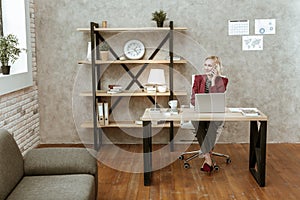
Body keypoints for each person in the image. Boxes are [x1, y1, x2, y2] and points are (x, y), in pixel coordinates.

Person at [190, 55, 229, 172]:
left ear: (216, 67)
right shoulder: (197, 79)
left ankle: (207, 159)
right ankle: (208, 158)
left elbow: (217, 98)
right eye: (205, 65)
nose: (207, 68)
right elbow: (193, 99)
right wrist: (200, 103)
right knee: (198, 124)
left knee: (212, 125)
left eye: (210, 65)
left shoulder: (223, 80)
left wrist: (213, 81)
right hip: (200, 112)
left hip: (215, 113)